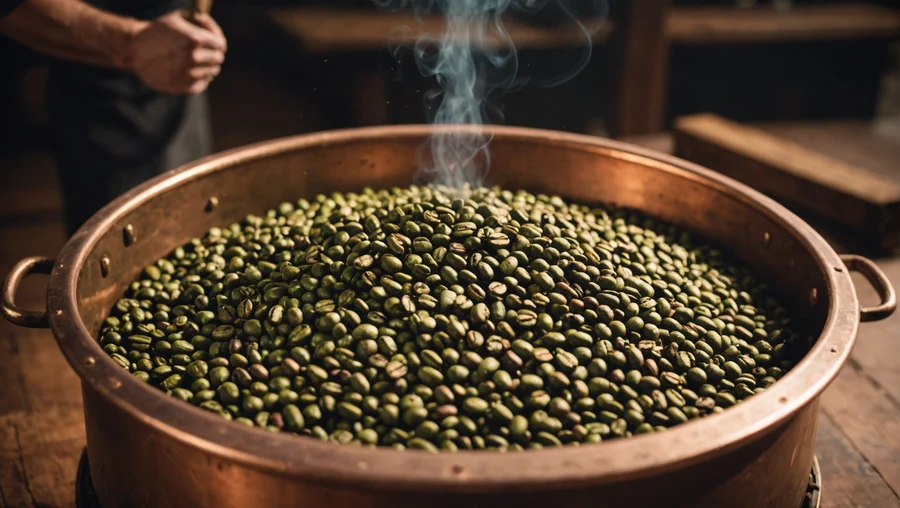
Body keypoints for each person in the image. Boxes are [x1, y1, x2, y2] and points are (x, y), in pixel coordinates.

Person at [0, 0, 227, 235]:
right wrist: (131, 43)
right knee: (117, 233)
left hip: (180, 53)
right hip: (101, 68)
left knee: (189, 218)